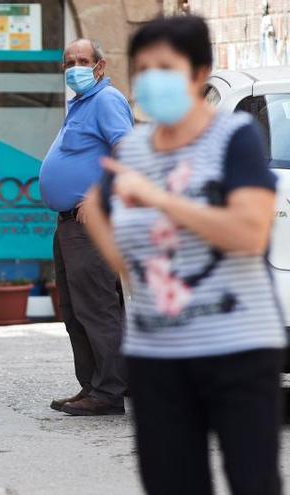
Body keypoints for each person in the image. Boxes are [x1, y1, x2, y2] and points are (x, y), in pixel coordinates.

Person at [85, 15, 286, 495]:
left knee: (252, 480)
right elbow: (126, 263)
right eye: (143, 69)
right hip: (159, 355)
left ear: (198, 74)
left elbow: (250, 233)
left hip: (237, 347)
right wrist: (99, 218)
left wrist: (160, 201)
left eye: (166, 68)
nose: (153, 80)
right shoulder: (131, 151)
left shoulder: (235, 138)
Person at [39, 38, 132, 416]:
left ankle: (109, 392)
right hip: (69, 225)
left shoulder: (107, 100)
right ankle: (92, 386)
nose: (74, 67)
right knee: (76, 310)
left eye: (82, 60)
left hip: (90, 224)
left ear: (100, 66)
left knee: (96, 308)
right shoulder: (81, 103)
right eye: (68, 62)